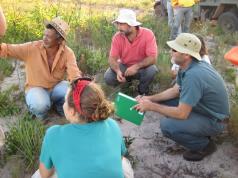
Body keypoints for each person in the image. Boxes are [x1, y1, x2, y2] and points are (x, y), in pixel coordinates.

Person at [135, 33, 230, 161]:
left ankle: (205, 145)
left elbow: (181, 114)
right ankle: (195, 131)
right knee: (167, 101)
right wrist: (149, 98)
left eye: (174, 49)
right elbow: (175, 91)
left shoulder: (193, 75)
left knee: (167, 126)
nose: (171, 52)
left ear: (186, 55)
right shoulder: (187, 66)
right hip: (203, 110)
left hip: (216, 120)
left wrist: (151, 106)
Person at [37, 77, 133, 178]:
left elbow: (44, 174)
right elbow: (120, 158)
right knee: (124, 164)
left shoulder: (53, 135)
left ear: (72, 111)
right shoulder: (112, 125)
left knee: (38, 174)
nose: (63, 104)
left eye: (65, 101)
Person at [0, 17, 82, 119]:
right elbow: (8, 49)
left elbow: (74, 74)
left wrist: (80, 86)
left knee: (73, 92)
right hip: (35, 88)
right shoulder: (31, 48)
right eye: (44, 35)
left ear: (59, 40)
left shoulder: (67, 52)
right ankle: (41, 117)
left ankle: (60, 108)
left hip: (56, 87)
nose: (44, 38)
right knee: (40, 105)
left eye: (48, 37)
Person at [104, 8, 158, 95]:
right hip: (125, 66)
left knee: (151, 70)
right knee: (108, 77)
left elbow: (153, 58)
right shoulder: (117, 37)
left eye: (121, 24)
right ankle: (125, 86)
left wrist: (136, 66)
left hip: (142, 68)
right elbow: (111, 59)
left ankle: (142, 92)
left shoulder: (148, 34)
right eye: (118, 24)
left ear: (131, 24)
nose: (118, 27)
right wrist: (118, 71)